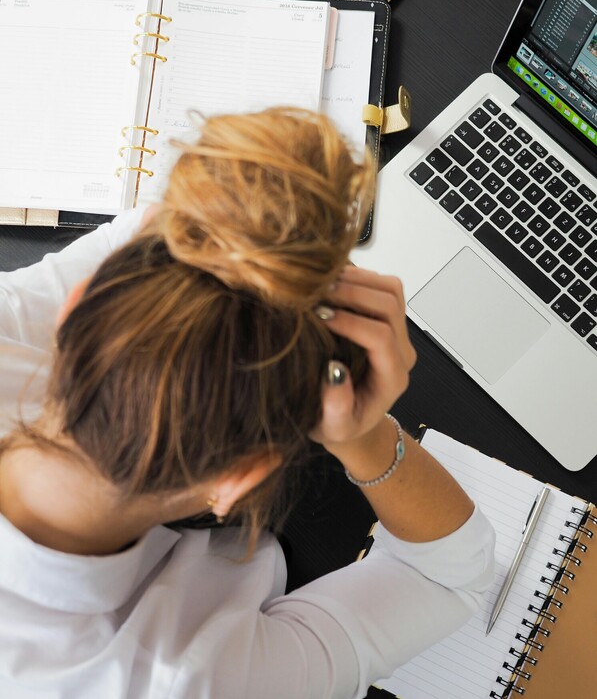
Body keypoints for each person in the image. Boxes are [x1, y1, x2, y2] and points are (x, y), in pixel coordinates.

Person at [0, 108, 495, 698]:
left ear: (75, 307)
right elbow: (447, 577)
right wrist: (363, 437)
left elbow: (156, 226)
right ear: (239, 482)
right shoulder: (191, 683)